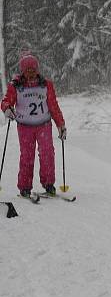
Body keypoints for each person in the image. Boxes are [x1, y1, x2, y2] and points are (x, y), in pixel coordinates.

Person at [1, 52, 67, 197]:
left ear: (37, 69)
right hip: (25, 127)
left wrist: (60, 124)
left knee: (47, 154)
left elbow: (53, 106)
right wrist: (7, 109)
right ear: (23, 71)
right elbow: (6, 102)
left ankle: (49, 184)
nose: (30, 73)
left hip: (44, 125)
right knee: (27, 156)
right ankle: (24, 187)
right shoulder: (16, 85)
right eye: (27, 70)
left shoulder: (46, 85)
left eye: (33, 69)